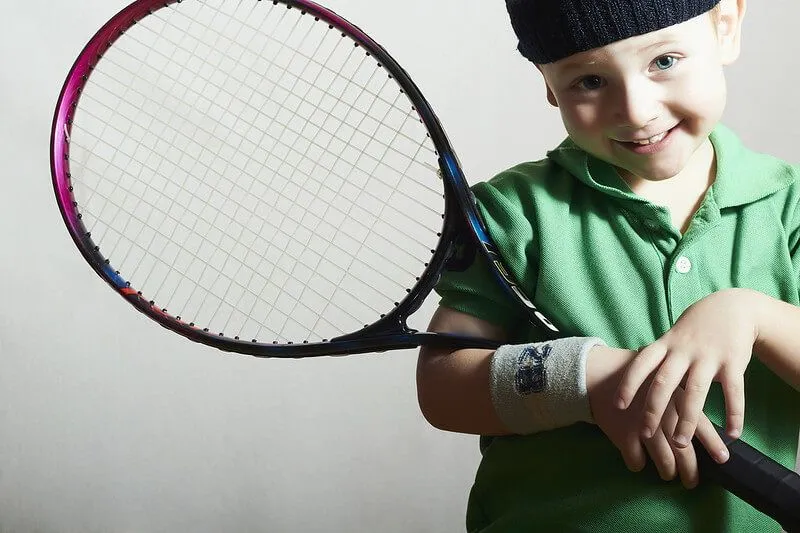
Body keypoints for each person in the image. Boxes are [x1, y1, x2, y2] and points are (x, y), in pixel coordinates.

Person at [415, 0, 800, 531]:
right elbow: (442, 387)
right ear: (548, 84)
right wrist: (585, 383)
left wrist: (750, 315)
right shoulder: (515, 214)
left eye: (664, 61)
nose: (636, 110)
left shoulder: (788, 206)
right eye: (590, 81)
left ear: (727, 28)